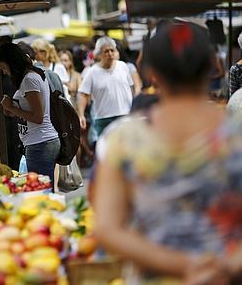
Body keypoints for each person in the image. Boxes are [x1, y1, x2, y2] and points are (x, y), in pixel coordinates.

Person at [93, 20, 242, 284]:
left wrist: (184, 265)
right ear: (211, 64)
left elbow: (108, 229)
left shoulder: (124, 140)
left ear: (151, 73)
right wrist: (225, 265)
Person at [0, 43, 59, 184]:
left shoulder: (29, 80)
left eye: (4, 68)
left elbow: (38, 117)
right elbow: (30, 112)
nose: (4, 72)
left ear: (13, 63)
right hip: (37, 143)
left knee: (42, 190)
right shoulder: (29, 77)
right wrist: (13, 109)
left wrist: (11, 108)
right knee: (42, 188)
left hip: (41, 144)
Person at [77, 37, 133, 139]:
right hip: (103, 119)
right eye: (106, 51)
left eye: (112, 50)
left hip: (125, 115)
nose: (110, 54)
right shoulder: (92, 72)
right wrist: (81, 115)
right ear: (99, 54)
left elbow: (130, 87)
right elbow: (82, 94)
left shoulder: (123, 66)